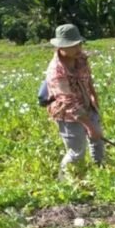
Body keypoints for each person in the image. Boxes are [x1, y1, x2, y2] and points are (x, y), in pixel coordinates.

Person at [45, 24, 105, 179]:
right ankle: (65, 179)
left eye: (78, 44)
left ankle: (101, 170)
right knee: (77, 151)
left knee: (98, 140)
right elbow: (69, 104)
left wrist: (93, 97)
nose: (77, 48)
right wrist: (89, 127)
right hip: (68, 115)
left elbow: (88, 78)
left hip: (86, 105)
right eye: (71, 45)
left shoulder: (81, 58)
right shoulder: (56, 72)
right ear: (60, 47)